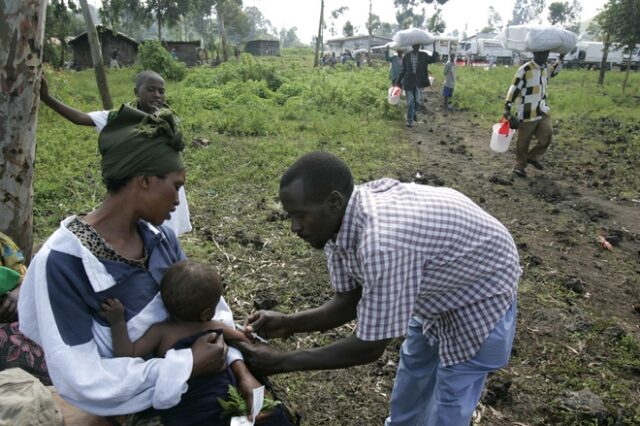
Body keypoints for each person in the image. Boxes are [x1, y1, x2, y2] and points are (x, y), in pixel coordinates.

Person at [234, 151, 521, 426]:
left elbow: (370, 346)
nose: (294, 228)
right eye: (289, 216)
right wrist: (289, 323)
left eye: (300, 215)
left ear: (334, 202)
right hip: (439, 280)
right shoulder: (339, 221)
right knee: (415, 368)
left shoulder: (382, 243)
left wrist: (284, 361)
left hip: (483, 286)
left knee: (451, 391)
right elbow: (349, 299)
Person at [17, 105, 258, 422]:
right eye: (176, 186)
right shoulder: (64, 263)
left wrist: (237, 366)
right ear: (144, 180)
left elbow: (210, 314)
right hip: (138, 405)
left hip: (208, 378)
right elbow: (83, 377)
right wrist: (183, 366)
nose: (178, 201)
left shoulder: (160, 239)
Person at [100, 259, 291, 425]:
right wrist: (252, 334)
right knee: (268, 419)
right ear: (207, 313)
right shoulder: (213, 325)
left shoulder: (159, 332)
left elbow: (126, 355)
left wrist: (118, 323)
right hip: (221, 401)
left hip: (184, 414)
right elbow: (245, 339)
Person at [40, 70, 192, 236]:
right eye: (150, 89)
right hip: (138, 191)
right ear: (136, 92)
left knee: (166, 236)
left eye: (161, 91)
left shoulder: (168, 121)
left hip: (164, 189)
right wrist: (47, 98)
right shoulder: (119, 120)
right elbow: (79, 118)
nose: (157, 95)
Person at [504, 50, 565, 178]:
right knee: (523, 142)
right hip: (527, 111)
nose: (544, 56)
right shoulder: (525, 69)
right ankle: (520, 166)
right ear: (535, 54)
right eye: (541, 54)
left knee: (547, 135)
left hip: (542, 109)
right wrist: (507, 109)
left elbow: (554, 71)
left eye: (546, 54)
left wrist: (561, 58)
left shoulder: (545, 68)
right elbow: (514, 88)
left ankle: (532, 157)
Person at [396, 44, 436, 128]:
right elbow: (403, 70)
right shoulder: (407, 56)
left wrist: (434, 47)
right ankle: (409, 121)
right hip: (408, 82)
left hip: (418, 82)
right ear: (412, 46)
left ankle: (413, 113)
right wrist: (398, 82)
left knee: (417, 102)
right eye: (415, 46)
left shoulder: (423, 55)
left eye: (418, 46)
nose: (416, 48)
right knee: (410, 102)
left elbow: (433, 59)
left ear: (419, 47)